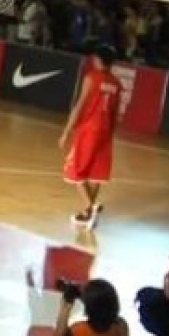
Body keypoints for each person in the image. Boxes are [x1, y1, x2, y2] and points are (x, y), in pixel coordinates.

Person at [59, 44, 123, 229]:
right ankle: (87, 215)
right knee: (96, 174)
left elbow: (79, 105)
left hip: (88, 130)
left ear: (98, 59)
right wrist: (110, 133)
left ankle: (91, 207)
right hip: (106, 132)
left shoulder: (91, 78)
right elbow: (115, 113)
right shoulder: (117, 84)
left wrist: (66, 131)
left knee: (75, 171)